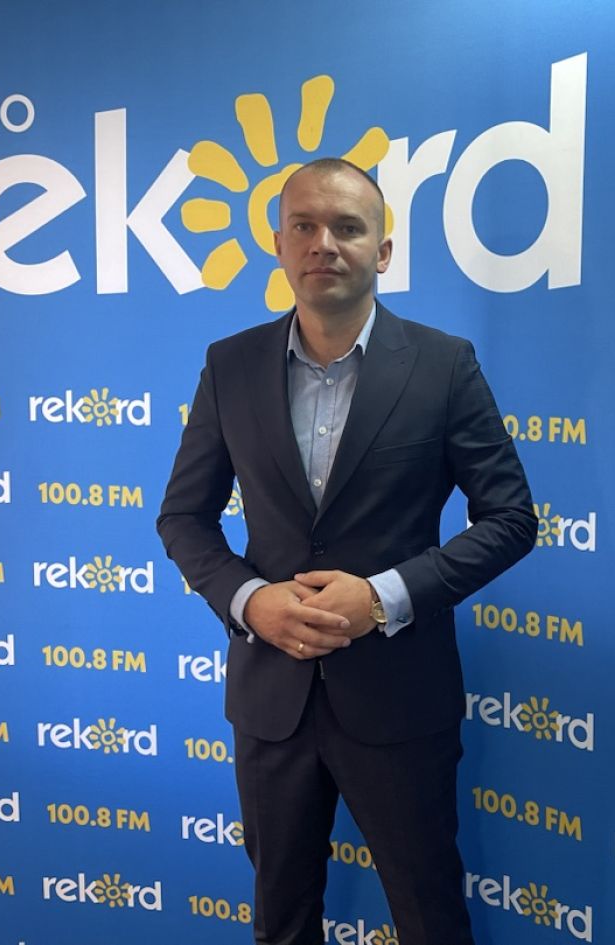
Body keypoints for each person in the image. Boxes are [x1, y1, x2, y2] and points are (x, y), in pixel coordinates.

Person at [156, 158, 536, 945]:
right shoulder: (230, 365)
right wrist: (250, 599)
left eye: (347, 227)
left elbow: (510, 518)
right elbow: (184, 517)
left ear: (383, 250)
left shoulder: (444, 364)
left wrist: (383, 596)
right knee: (282, 919)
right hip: (272, 700)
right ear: (278, 243)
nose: (322, 243)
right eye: (303, 225)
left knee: (430, 916)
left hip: (401, 697)